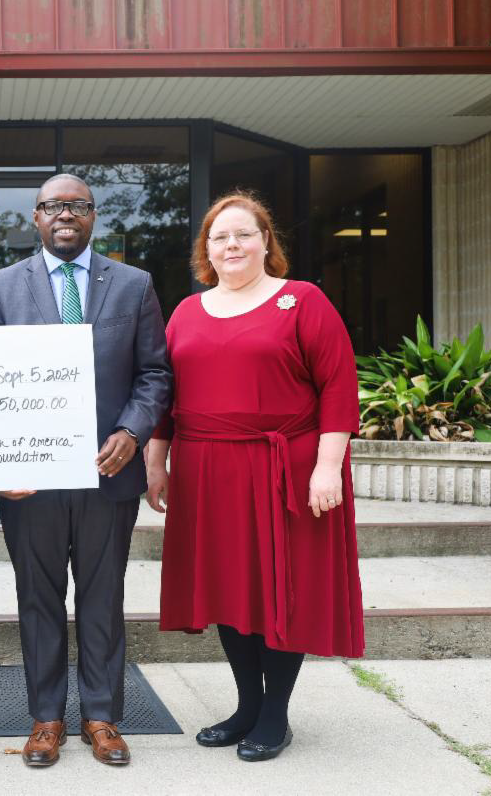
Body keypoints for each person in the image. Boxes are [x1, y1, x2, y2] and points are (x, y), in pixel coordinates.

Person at [145, 191, 364, 763]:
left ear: (267, 242)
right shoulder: (187, 312)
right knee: (229, 588)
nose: (233, 245)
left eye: (244, 234)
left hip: (284, 468)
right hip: (206, 470)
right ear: (207, 252)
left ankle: (275, 715)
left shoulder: (303, 300)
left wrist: (325, 468)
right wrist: (155, 460)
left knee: (280, 591)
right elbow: (167, 396)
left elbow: (339, 387)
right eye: (220, 238)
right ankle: (245, 706)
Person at [0, 174, 172, 767]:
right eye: (54, 206)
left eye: (78, 206)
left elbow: (154, 373)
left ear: (93, 216)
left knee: (102, 596)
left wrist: (133, 432)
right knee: (37, 597)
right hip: (31, 480)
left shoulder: (134, 285)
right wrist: (1, 460)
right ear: (36, 217)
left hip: (107, 473)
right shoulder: (1, 287)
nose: (66, 214)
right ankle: (46, 719)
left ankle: (103, 716)